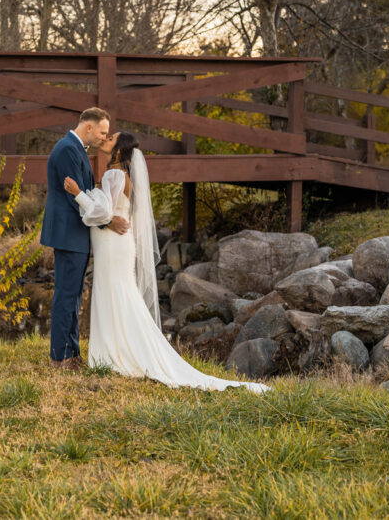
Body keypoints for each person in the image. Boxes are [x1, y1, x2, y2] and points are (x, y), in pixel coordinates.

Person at [64, 131, 269, 393]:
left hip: (113, 245)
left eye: (112, 136)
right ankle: (112, 353)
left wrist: (78, 193)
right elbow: (108, 208)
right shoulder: (120, 174)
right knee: (118, 294)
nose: (107, 136)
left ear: (119, 149)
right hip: (115, 245)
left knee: (114, 294)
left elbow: (103, 212)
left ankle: (112, 356)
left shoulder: (114, 174)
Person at [41, 108, 129, 370]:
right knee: (66, 296)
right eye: (102, 132)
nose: (103, 138)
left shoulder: (75, 148)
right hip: (68, 233)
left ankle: (72, 352)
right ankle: (60, 357)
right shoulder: (68, 149)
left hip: (74, 234)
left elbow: (86, 193)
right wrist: (109, 220)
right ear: (88, 127)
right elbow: (76, 198)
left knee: (74, 294)